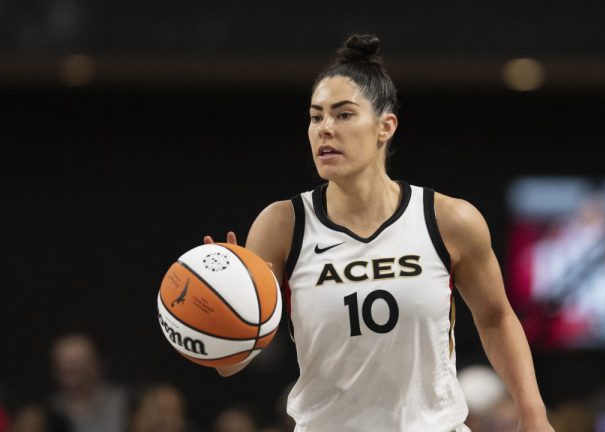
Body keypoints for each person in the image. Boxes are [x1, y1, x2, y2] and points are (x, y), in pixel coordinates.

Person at [204, 34, 552, 432]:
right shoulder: (282, 224)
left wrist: (534, 413)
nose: (325, 129)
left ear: (385, 126)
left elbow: (496, 319)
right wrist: (222, 312)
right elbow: (234, 364)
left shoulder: (449, 219)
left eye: (344, 114)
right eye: (316, 116)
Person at [48, 333, 129, 432]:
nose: (71, 368)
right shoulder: (46, 412)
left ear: (99, 363)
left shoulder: (124, 403)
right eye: (64, 362)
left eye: (79, 361)